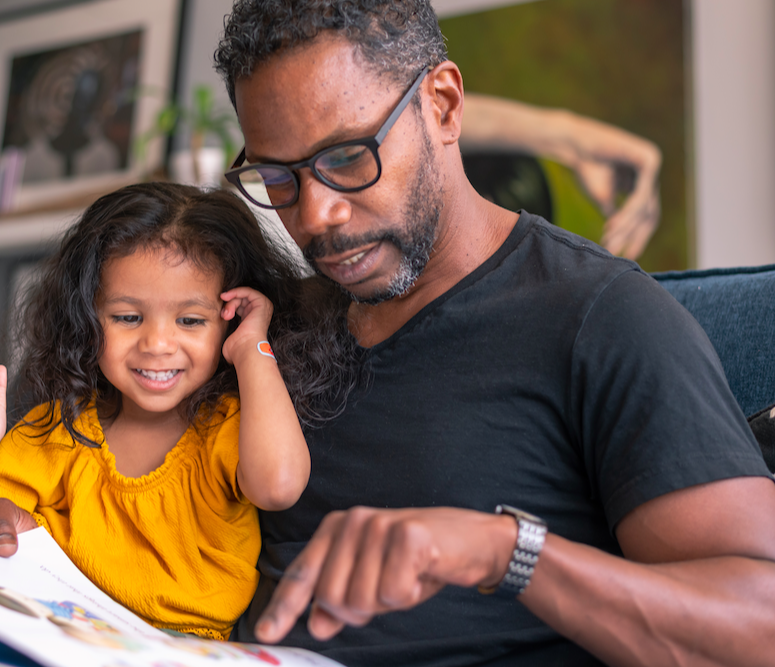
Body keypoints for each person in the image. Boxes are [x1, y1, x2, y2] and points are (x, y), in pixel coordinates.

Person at [209, 1, 775, 666]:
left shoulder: (600, 317)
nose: (316, 215)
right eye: (277, 176)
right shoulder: (269, 323)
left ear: (444, 106)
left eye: (346, 156)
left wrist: (505, 551)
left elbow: (759, 626)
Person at [0, 182, 354, 640]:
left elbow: (279, 487)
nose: (156, 344)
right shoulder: (58, 430)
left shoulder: (228, 426)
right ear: (87, 320)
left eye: (190, 321)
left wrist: (253, 347)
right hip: (64, 635)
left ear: (228, 320)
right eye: (128, 318)